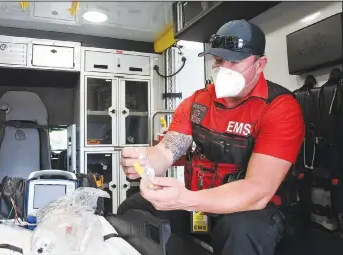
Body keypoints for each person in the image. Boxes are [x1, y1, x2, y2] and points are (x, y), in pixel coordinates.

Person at [118, 19, 305, 255]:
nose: (223, 68)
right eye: (218, 60)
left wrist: (185, 199)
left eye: (234, 61)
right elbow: (168, 149)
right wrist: (145, 161)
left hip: (257, 211)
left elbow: (259, 190)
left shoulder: (279, 108)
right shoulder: (197, 102)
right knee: (133, 208)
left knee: (240, 232)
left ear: (259, 65)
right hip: (199, 204)